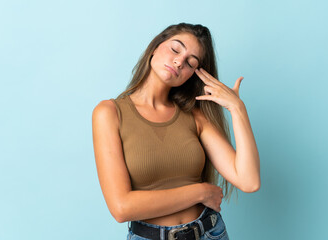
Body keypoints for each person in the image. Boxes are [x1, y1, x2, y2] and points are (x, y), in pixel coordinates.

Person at [92, 23, 260, 240]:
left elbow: (249, 181)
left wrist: (237, 109)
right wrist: (201, 192)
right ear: (155, 47)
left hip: (210, 233)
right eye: (175, 49)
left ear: (192, 74)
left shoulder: (194, 116)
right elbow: (121, 208)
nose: (179, 61)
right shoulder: (109, 113)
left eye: (191, 62)